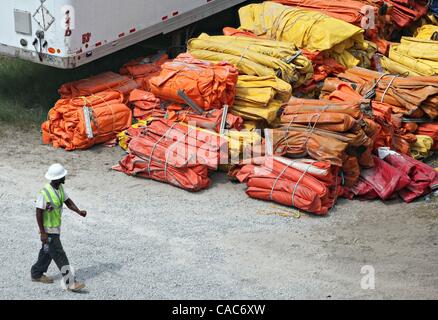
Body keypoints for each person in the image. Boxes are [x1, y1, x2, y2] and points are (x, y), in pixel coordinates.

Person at [31, 163, 87, 292]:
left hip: (55, 228)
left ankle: (36, 273)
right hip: (48, 230)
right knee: (59, 254)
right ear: (57, 178)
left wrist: (79, 211)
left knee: (47, 251)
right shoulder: (44, 193)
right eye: (63, 176)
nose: (65, 177)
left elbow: (68, 201)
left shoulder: (60, 188)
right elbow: (38, 212)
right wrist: (43, 233)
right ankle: (70, 282)